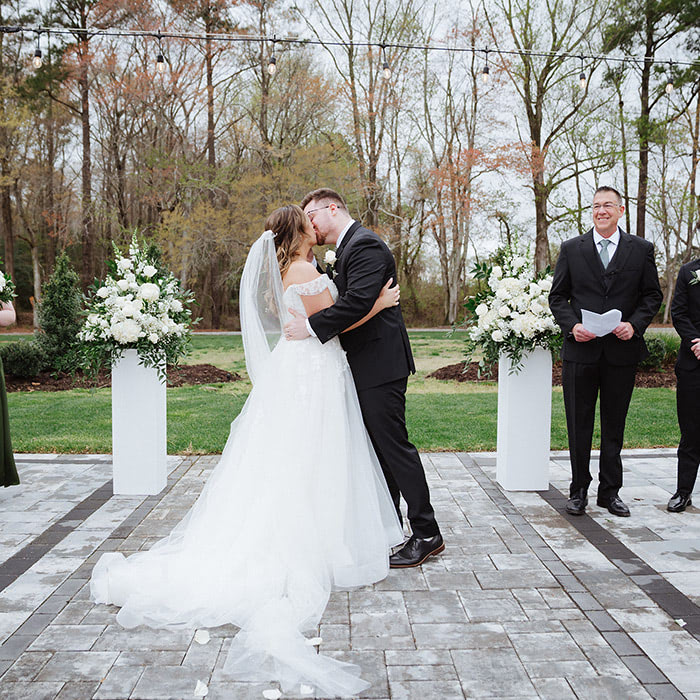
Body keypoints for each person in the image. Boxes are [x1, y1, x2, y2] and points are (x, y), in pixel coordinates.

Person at [90, 205, 405, 697]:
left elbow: (318, 318)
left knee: (299, 455)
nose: (315, 226)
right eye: (307, 222)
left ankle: (322, 533)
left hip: (302, 367)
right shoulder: (304, 271)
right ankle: (321, 541)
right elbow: (338, 321)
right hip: (312, 372)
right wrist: (381, 303)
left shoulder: (291, 270)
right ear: (298, 232)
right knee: (312, 455)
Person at [283, 188, 443, 567]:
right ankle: (389, 527)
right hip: (363, 363)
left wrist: (310, 328)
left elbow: (355, 304)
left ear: (332, 208)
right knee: (379, 451)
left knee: (394, 448)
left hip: (380, 364)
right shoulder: (345, 249)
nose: (309, 224)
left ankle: (427, 533)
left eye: (312, 216)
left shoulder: (365, 245)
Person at [549, 186, 662, 518]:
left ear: (620, 210)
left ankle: (610, 492)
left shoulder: (641, 250)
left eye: (608, 205)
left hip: (620, 353)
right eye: (596, 205)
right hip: (580, 352)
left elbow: (652, 295)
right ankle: (578, 491)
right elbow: (557, 297)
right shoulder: (572, 248)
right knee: (578, 424)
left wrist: (634, 325)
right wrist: (572, 326)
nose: (601, 211)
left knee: (614, 425)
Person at [668, 258, 700, 512]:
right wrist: (696, 342)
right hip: (693, 363)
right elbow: (678, 313)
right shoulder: (688, 271)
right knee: (691, 431)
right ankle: (683, 491)